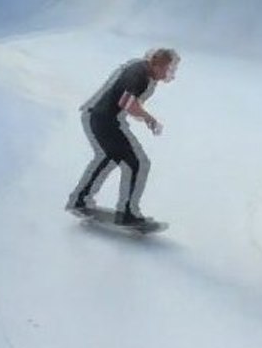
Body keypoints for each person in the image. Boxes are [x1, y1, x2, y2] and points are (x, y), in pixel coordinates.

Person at [67, 48, 180, 225]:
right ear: (157, 65)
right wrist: (148, 118)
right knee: (137, 163)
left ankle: (79, 200)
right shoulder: (139, 74)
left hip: (101, 118)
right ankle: (127, 213)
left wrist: (143, 115)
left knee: (111, 156)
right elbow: (126, 103)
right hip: (102, 120)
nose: (168, 73)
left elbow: (128, 101)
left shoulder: (141, 70)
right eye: (167, 68)